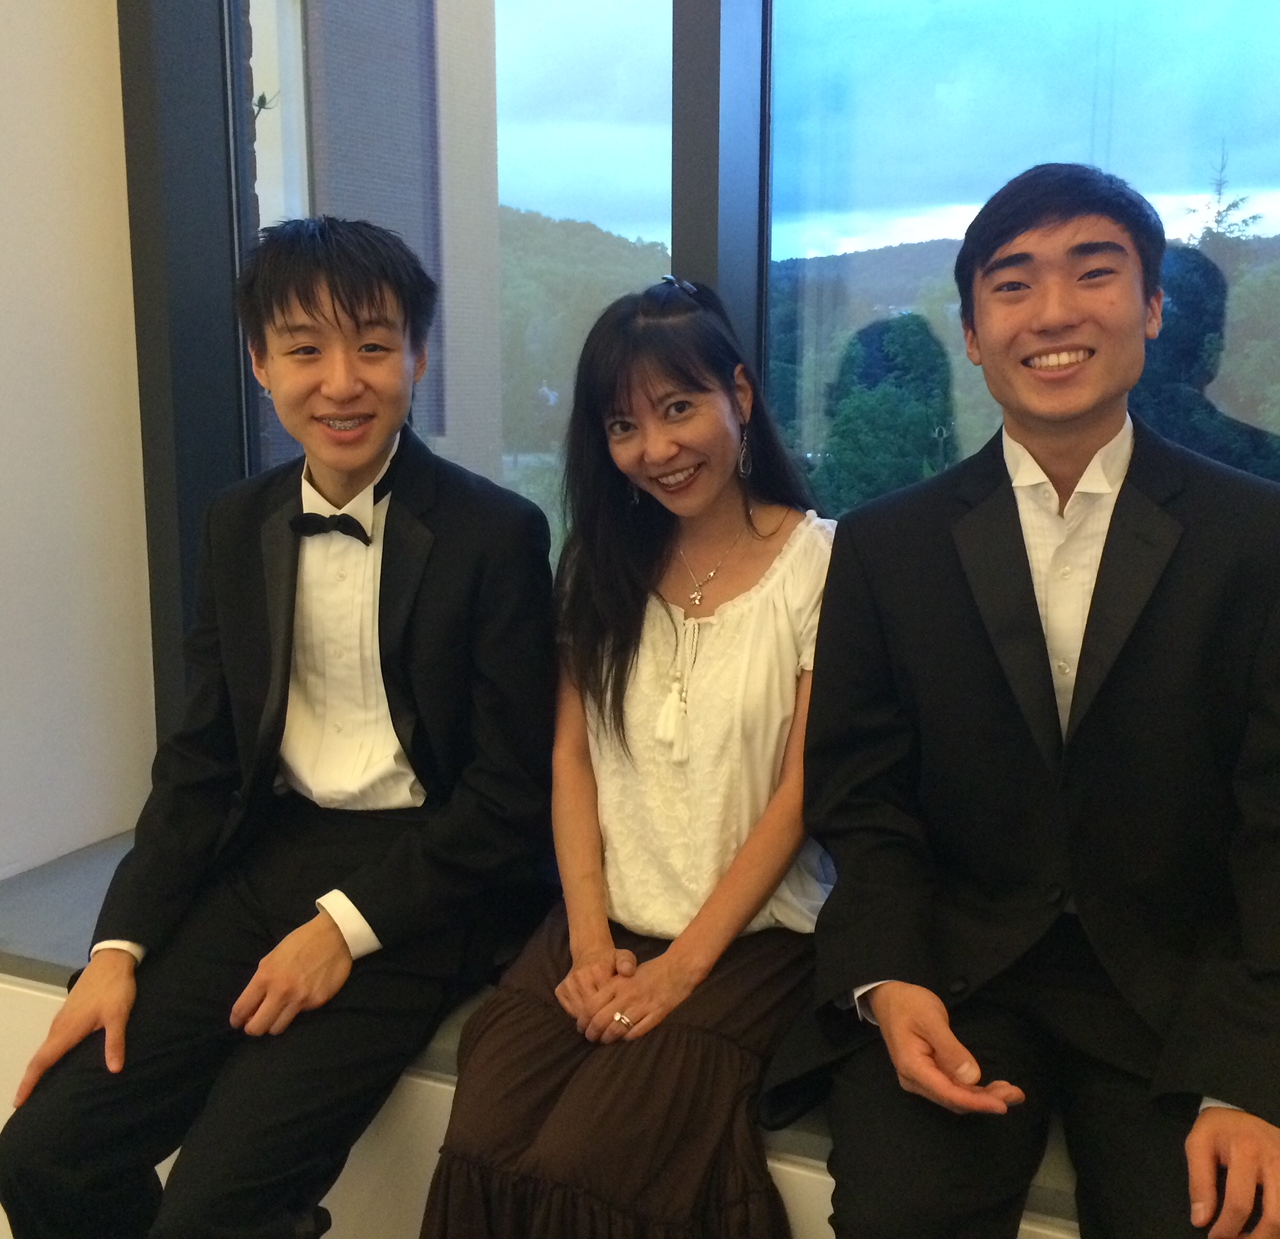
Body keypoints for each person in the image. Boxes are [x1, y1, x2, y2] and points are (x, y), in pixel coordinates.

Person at [0, 217, 556, 1238]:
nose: (342, 382)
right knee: (43, 1152)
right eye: (305, 349)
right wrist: (117, 944)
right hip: (268, 859)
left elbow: (510, 793)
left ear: (416, 357)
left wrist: (342, 928)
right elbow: (202, 761)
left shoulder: (497, 533)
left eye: (373, 345)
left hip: (426, 885)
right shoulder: (237, 522)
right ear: (261, 364)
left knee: (212, 1210)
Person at [765, 163, 1280, 1239]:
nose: (1051, 313)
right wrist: (888, 978)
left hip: (1180, 989)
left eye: (1093, 273)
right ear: (970, 331)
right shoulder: (886, 546)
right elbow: (862, 797)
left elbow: (1272, 821)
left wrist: (1250, 1072)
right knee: (896, 1219)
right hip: (961, 970)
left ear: (1151, 307)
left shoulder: (1255, 538)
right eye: (1011, 284)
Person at [421, 277, 834, 1238]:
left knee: (590, 1164)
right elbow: (572, 759)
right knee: (482, 1132)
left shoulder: (822, 563)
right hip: (601, 921)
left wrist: (681, 970)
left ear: (740, 394)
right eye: (623, 426)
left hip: (757, 938)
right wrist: (588, 938)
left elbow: (802, 790)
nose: (655, 449)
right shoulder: (597, 565)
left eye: (679, 408)